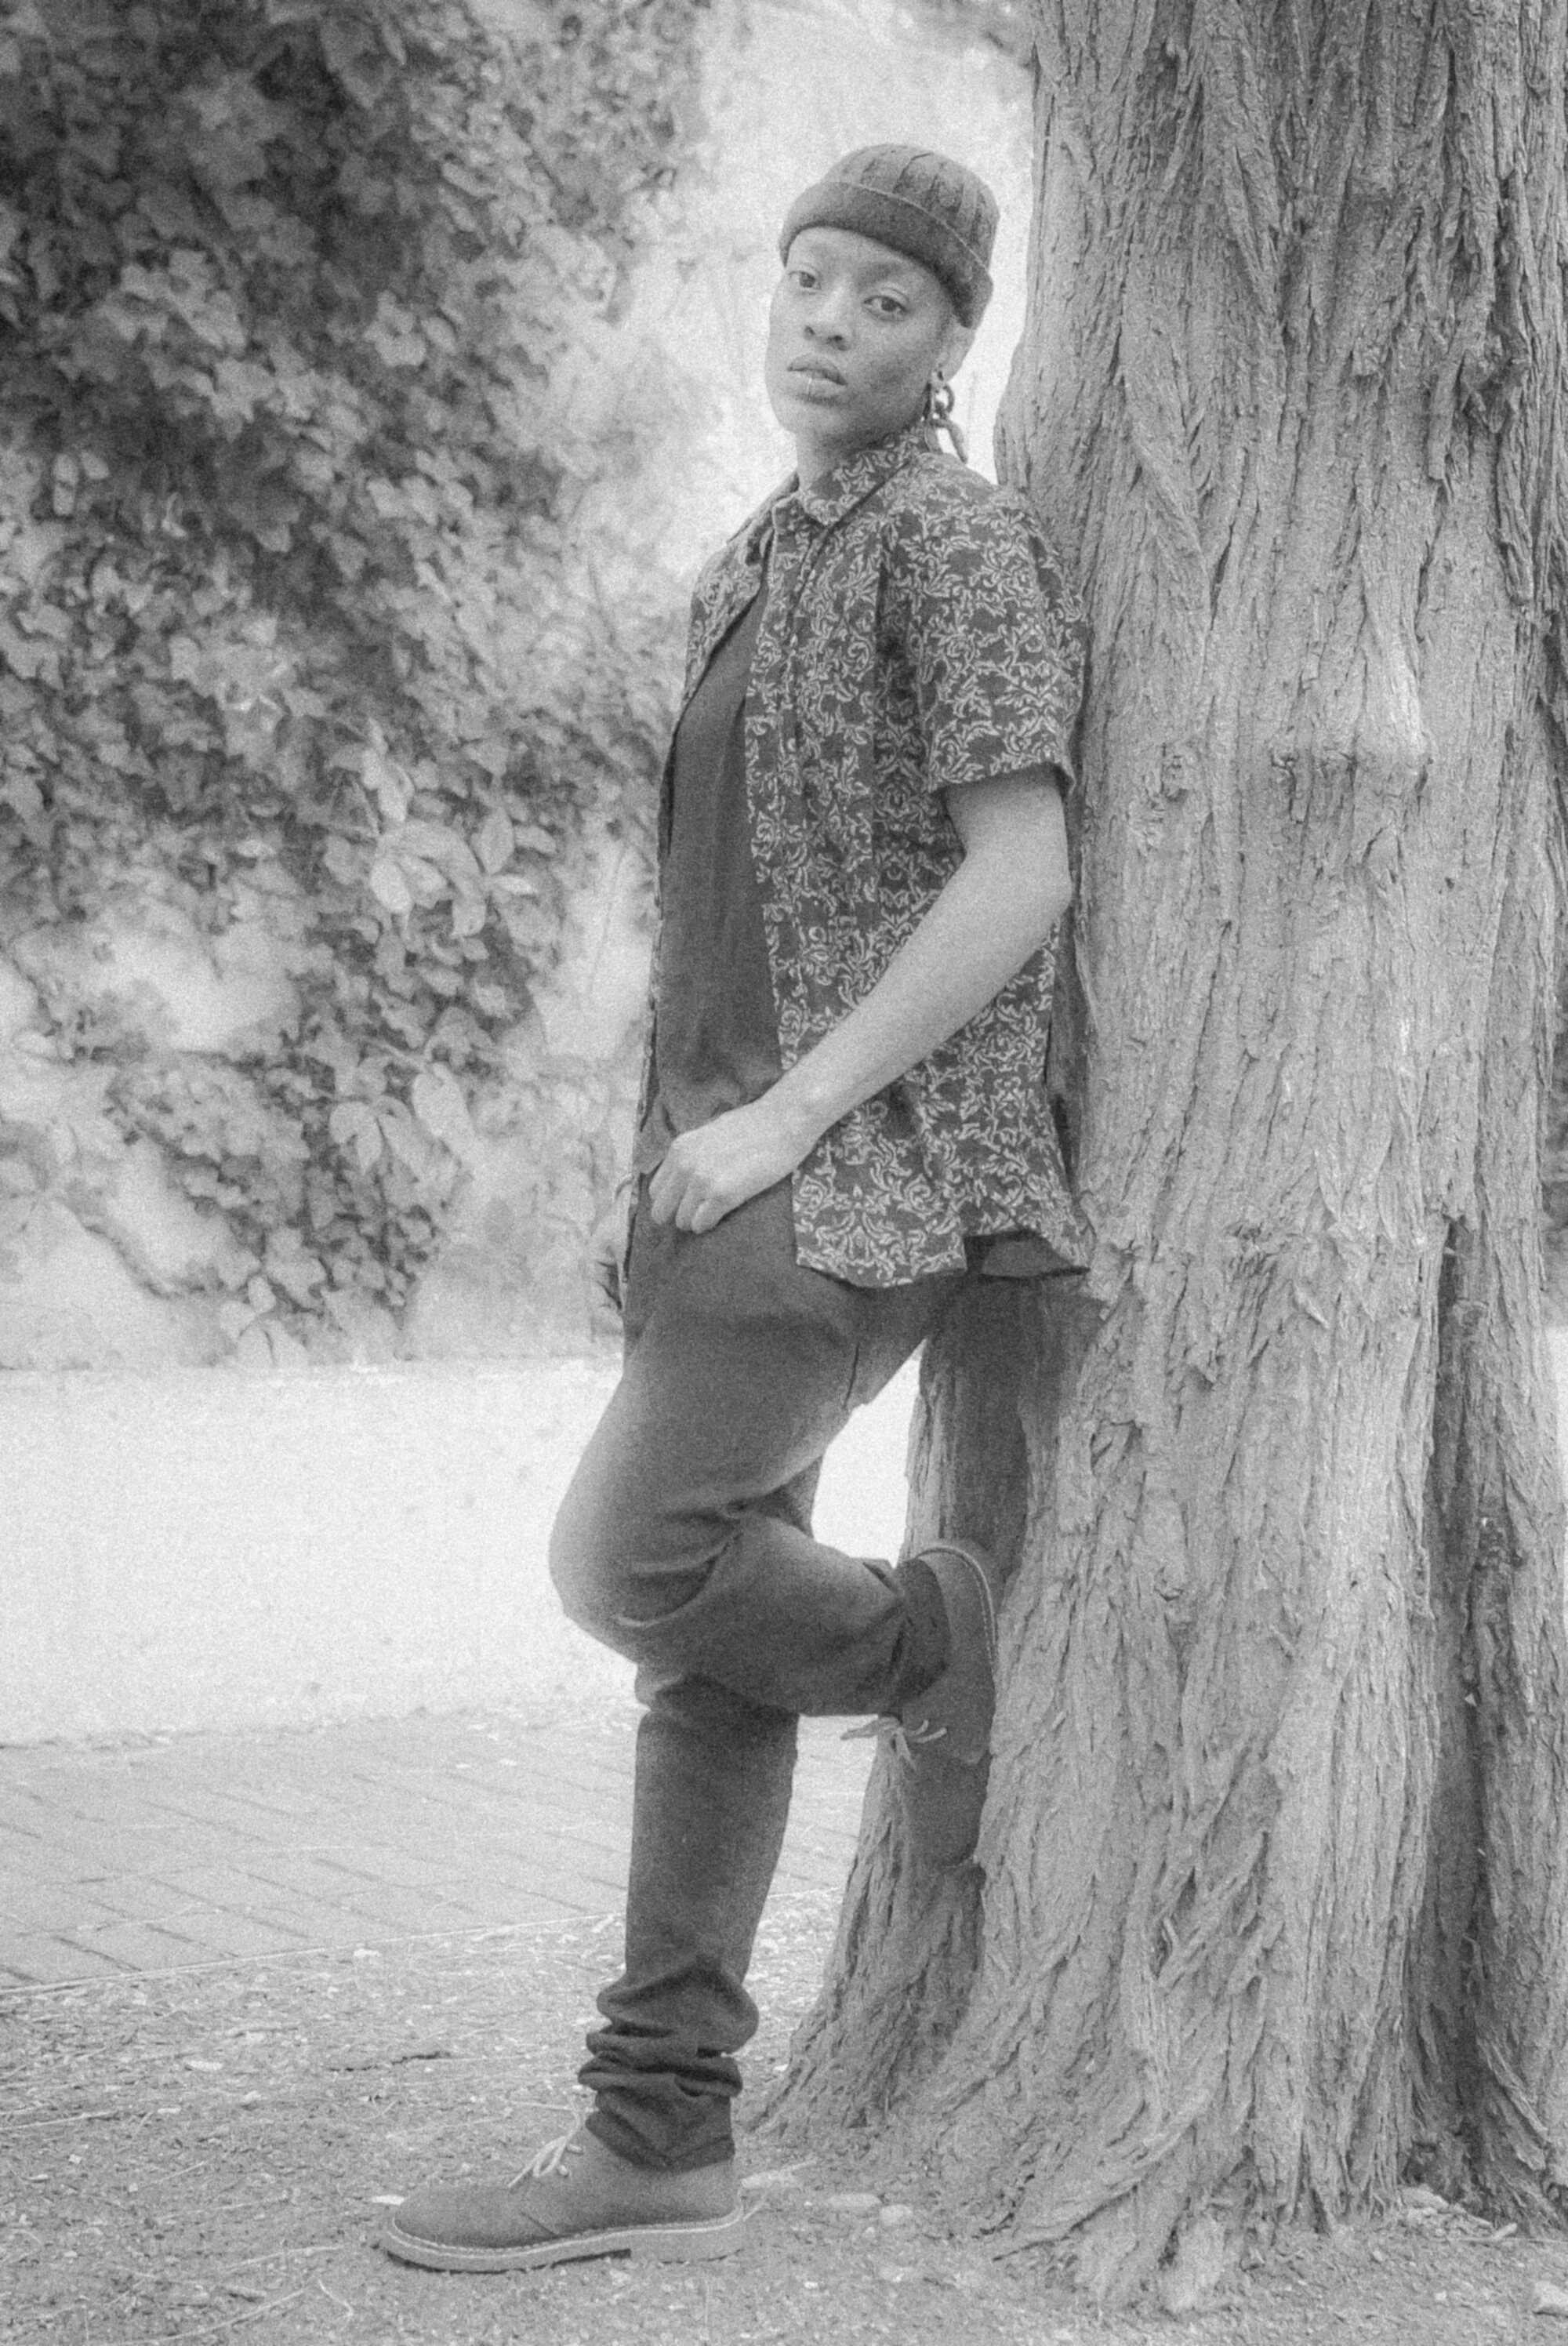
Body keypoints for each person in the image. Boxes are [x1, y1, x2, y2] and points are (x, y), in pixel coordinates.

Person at [380, 142, 1087, 2278]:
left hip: (848, 1177)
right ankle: (661, 2133)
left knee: (630, 1558)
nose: (830, 322)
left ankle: (934, 1638)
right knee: (706, 1668)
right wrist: (682, 1154)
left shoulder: (953, 542)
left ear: (952, 340)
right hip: (705, 1171)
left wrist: (782, 1117)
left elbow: (1022, 874)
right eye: (807, 278)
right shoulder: (764, 554)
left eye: (888, 296)